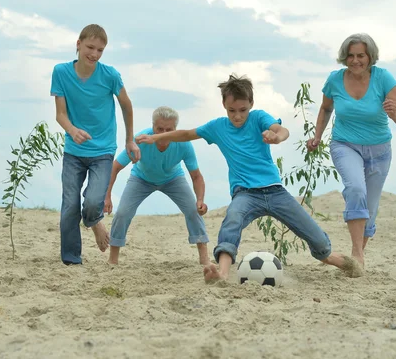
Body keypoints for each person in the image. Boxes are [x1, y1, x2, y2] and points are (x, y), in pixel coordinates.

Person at [136, 74, 362, 283]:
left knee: (314, 234)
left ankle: (336, 259)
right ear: (224, 105)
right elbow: (186, 134)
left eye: (242, 110)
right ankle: (222, 273)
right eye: (232, 110)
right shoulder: (217, 127)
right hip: (244, 193)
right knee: (231, 220)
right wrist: (156, 137)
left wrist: (276, 136)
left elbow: (281, 130)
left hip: (275, 191)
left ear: (251, 105)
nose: (237, 116)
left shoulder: (258, 118)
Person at [307, 33, 396, 269]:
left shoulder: (384, 78)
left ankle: (356, 258)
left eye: (360, 55)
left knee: (370, 209)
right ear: (344, 57)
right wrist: (317, 136)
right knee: (355, 188)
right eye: (350, 55)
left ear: (370, 56)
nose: (355, 60)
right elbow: (325, 108)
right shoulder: (335, 79)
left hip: (380, 150)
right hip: (345, 144)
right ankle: (357, 253)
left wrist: (394, 113)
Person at [50, 24, 141, 265]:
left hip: (103, 151)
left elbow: (126, 104)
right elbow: (60, 114)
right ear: (78, 44)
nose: (95, 54)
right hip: (73, 151)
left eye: (100, 50)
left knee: (92, 202)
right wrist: (72, 130)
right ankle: (71, 260)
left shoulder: (110, 75)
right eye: (90, 47)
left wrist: (129, 140)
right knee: (70, 205)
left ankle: (93, 221)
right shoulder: (60, 72)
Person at [104, 106, 210, 266]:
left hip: (173, 178)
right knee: (123, 213)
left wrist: (200, 200)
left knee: (193, 210)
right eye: (159, 128)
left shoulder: (183, 144)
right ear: (153, 127)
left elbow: (196, 176)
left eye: (169, 129)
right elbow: (115, 167)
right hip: (141, 178)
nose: (163, 133)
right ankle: (113, 259)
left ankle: (204, 258)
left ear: (176, 129)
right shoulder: (140, 140)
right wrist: (107, 196)